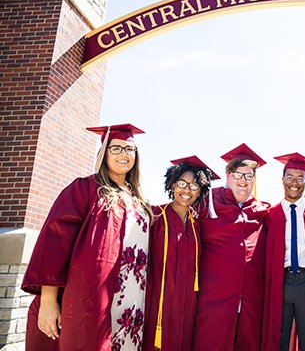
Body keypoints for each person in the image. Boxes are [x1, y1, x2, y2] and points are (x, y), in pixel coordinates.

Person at [22, 123, 151, 351]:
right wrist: (49, 300)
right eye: (116, 148)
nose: (124, 154)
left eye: (129, 149)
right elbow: (54, 243)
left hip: (131, 304)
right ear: (103, 154)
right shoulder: (86, 189)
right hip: (90, 299)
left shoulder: (140, 202)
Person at [192, 143, 270, 351]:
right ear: (227, 175)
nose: (243, 181)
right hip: (213, 302)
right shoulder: (206, 203)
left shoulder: (262, 211)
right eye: (238, 174)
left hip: (249, 305)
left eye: (249, 176)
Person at [143, 155, 218, 351]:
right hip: (156, 304)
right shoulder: (154, 216)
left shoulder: (196, 226)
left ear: (200, 191)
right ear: (172, 184)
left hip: (186, 308)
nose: (187, 190)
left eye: (194, 186)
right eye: (182, 183)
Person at [262, 153, 305, 351]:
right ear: (282, 179)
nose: (294, 182)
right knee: (278, 336)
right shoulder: (271, 213)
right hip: (281, 281)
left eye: (300, 178)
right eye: (289, 176)